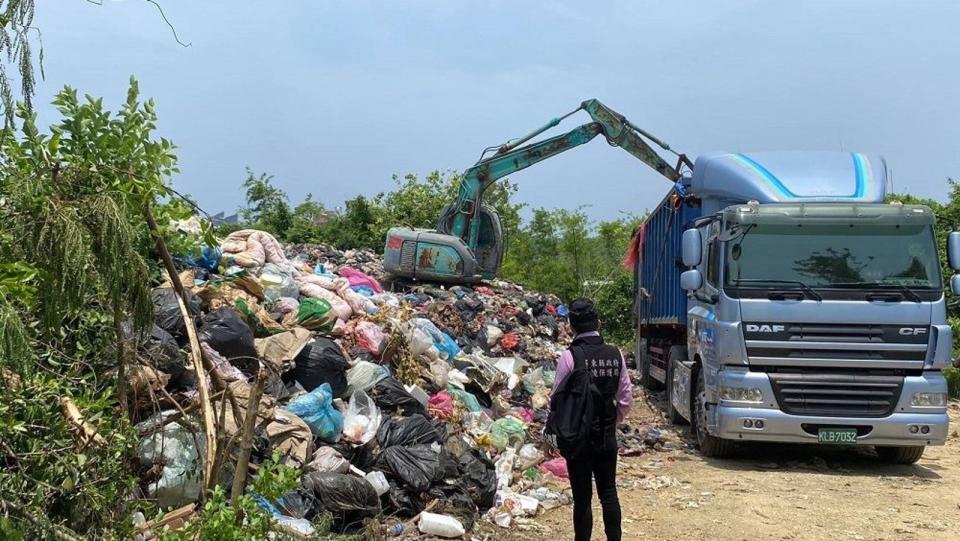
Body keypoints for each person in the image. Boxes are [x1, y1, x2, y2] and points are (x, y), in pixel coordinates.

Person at [551, 297, 633, 541]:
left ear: (572, 325)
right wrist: (614, 419)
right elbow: (626, 397)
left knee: (582, 498)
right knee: (608, 493)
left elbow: (556, 398)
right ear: (598, 322)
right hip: (606, 436)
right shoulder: (614, 353)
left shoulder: (570, 356)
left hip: (578, 439)